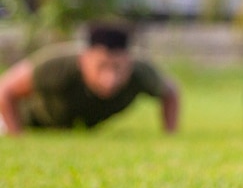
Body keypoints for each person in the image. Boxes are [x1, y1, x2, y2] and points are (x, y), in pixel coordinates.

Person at [0, 22, 180, 134]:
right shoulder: (57, 65)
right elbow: (6, 88)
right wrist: (17, 135)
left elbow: (171, 92)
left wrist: (169, 134)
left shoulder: (141, 72)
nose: (110, 79)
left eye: (117, 67)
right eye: (101, 66)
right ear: (85, 59)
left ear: (128, 62)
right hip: (25, 119)